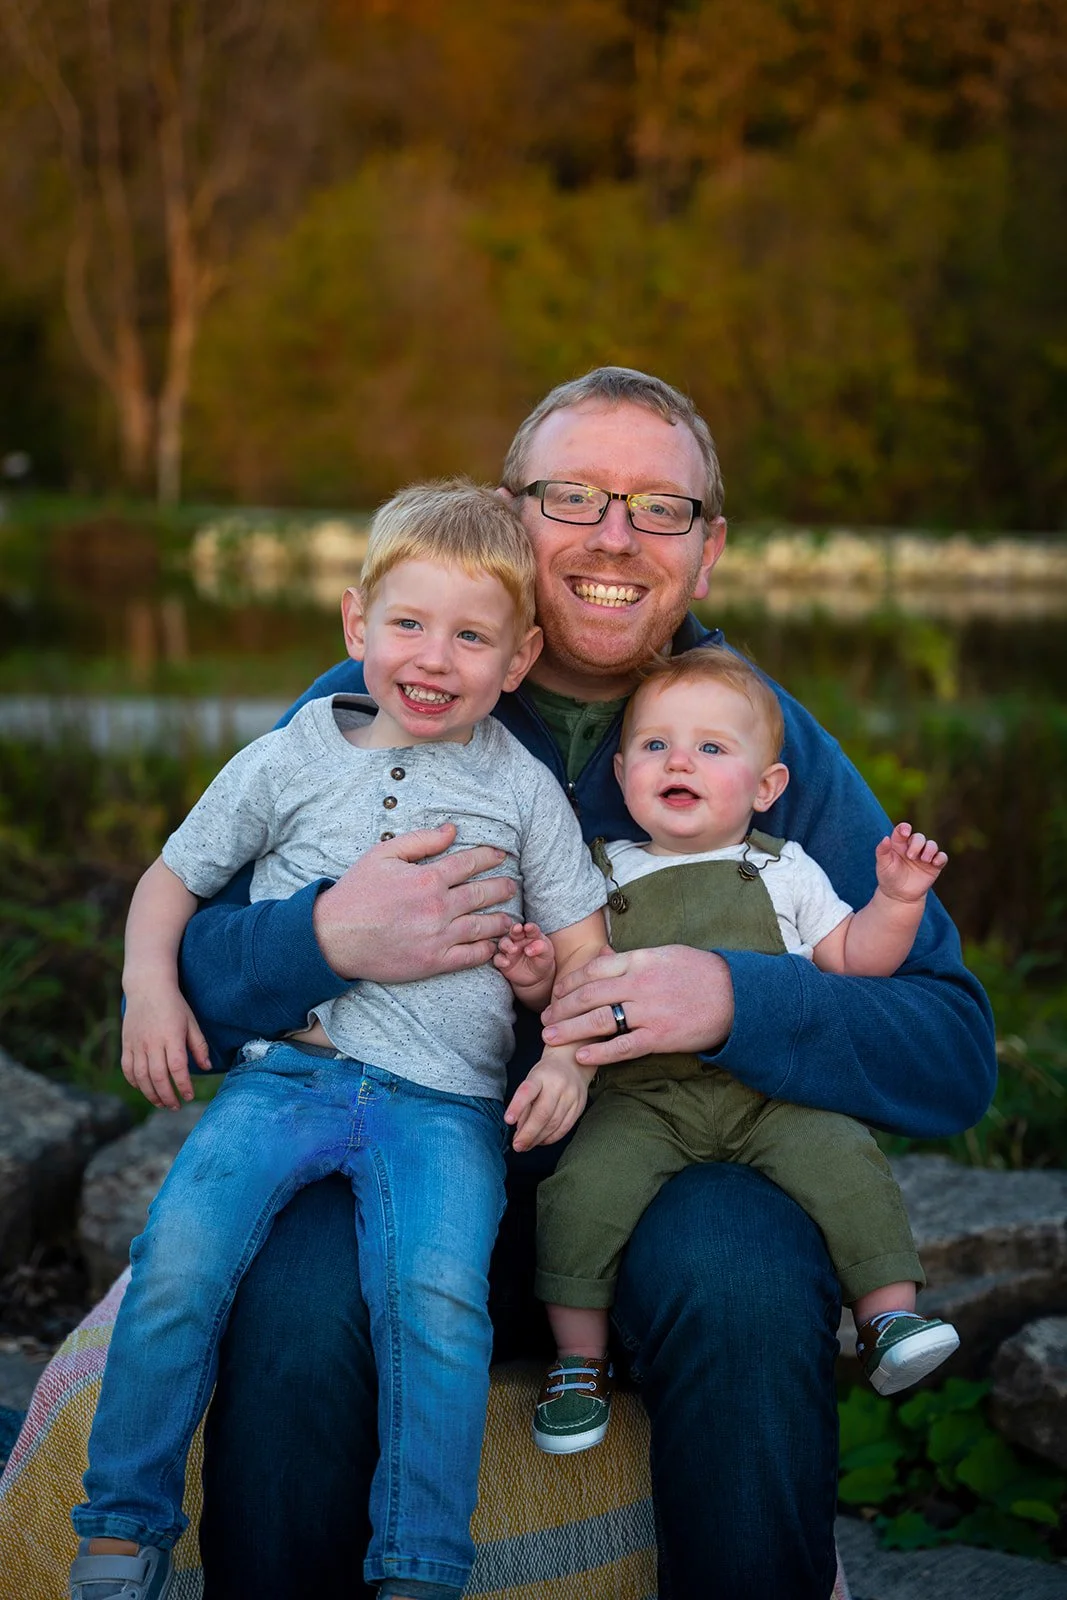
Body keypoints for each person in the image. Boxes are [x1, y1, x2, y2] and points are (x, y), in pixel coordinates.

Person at [177, 367, 997, 1600]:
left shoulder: (758, 741)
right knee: (294, 1295)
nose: (615, 535)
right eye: (573, 496)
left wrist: (736, 998)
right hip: (389, 1154)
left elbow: (949, 1048)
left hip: (659, 1183)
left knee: (746, 1264)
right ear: (511, 519)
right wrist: (322, 935)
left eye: (659, 507)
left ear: (706, 552)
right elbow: (185, 972)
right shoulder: (372, 705)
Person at [68, 482, 608, 1600]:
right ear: (356, 623)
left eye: (470, 636)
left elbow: (585, 947)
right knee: (177, 1261)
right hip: (288, 1080)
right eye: (408, 624)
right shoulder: (293, 756)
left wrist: (560, 1047)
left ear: (517, 661)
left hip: (443, 1108)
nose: (432, 656)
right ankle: (121, 1530)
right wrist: (149, 993)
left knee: (436, 1302)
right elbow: (173, 879)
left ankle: (419, 1563)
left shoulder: (524, 790)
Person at [497, 646, 960, 1457]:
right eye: (655, 746)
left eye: (711, 748)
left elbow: (853, 961)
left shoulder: (781, 870)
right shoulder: (599, 875)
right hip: (640, 1100)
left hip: (767, 1098)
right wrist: (536, 975)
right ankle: (578, 1363)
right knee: (579, 1194)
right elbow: (571, 987)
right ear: (622, 772)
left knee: (843, 1158)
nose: (680, 761)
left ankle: (887, 1313)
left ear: (766, 786)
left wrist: (893, 901)